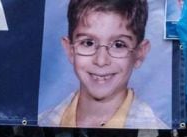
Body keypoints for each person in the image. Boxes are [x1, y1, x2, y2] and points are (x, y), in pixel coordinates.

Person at [38, 0, 168, 129]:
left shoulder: (153, 125)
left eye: (118, 45)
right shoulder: (42, 122)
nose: (101, 61)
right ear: (70, 50)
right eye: (88, 43)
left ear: (140, 53)